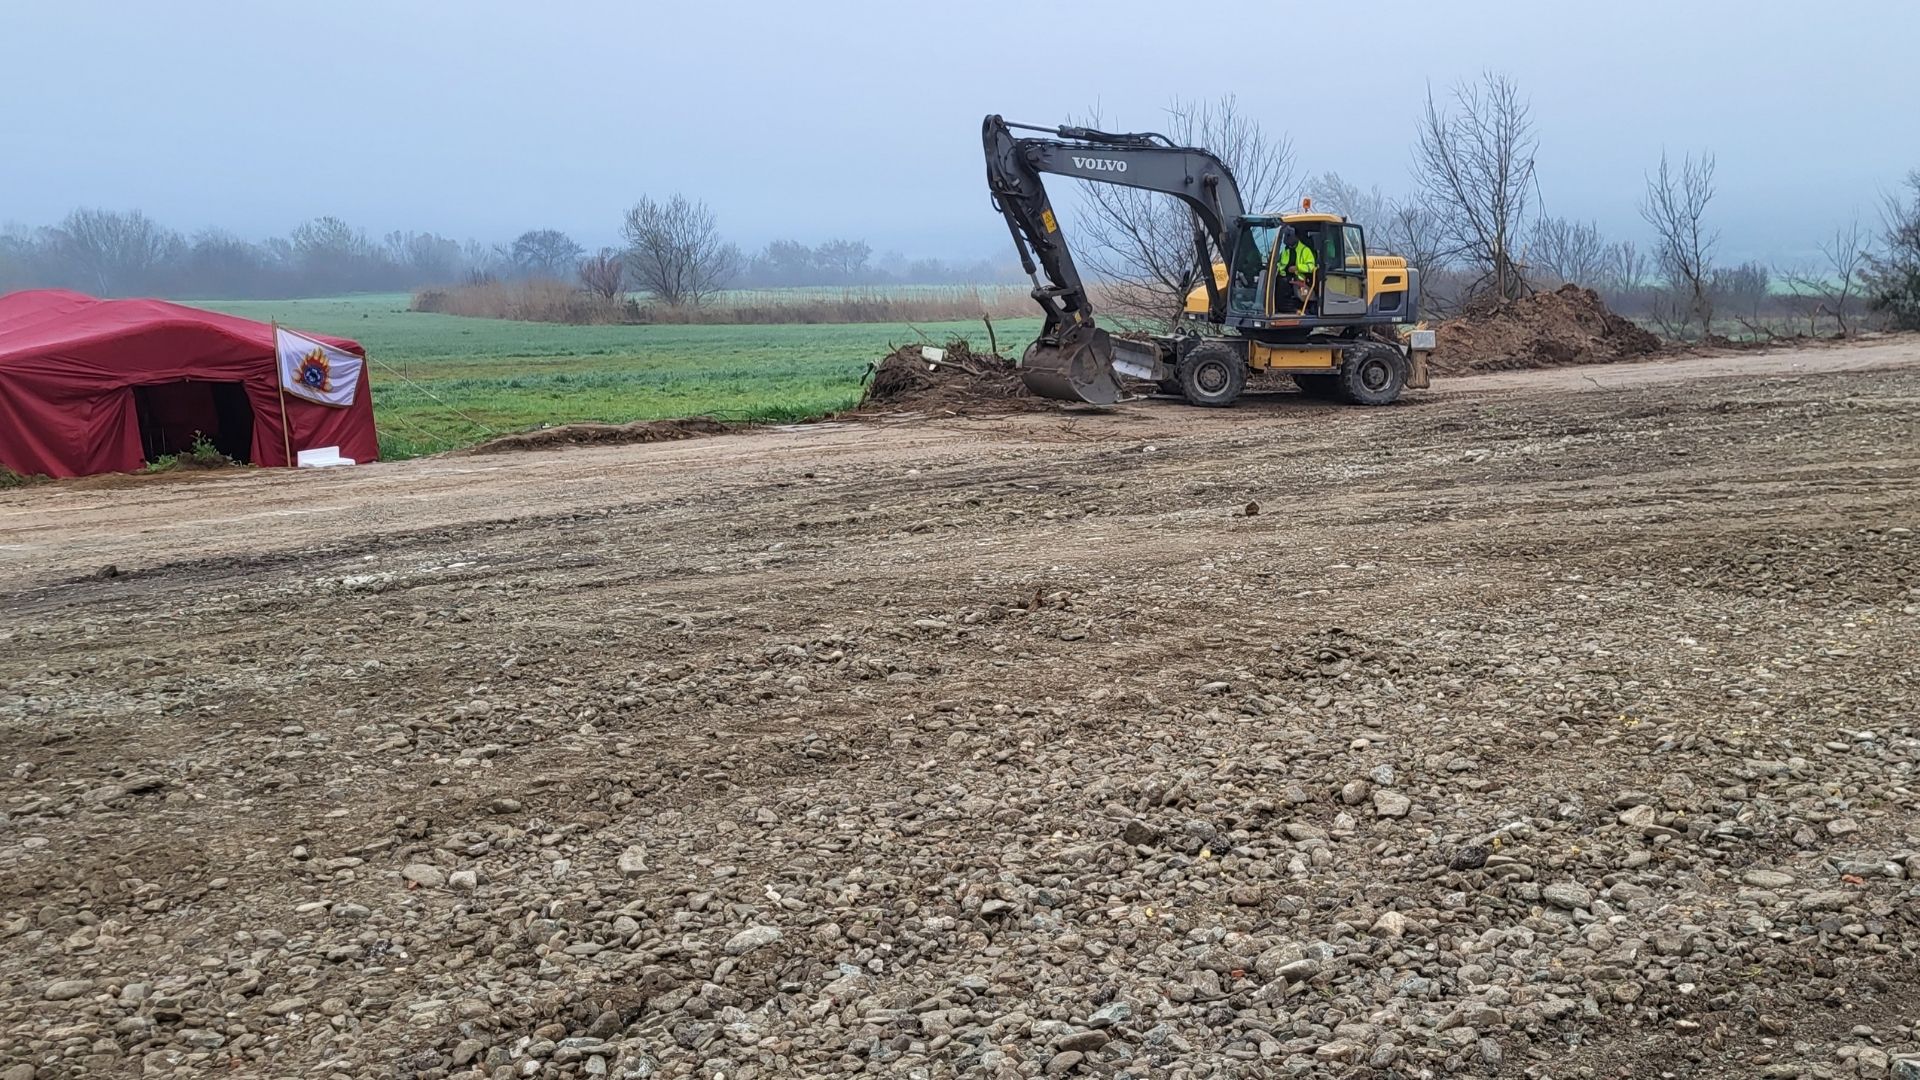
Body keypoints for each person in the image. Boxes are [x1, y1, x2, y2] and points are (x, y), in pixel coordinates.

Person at [1278, 229, 1317, 313]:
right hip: (1285, 276)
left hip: (1299, 278)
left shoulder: (1305, 250)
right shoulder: (1285, 250)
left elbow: (1311, 267)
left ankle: (1291, 309)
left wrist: (1297, 268)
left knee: (1283, 284)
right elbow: (1280, 264)